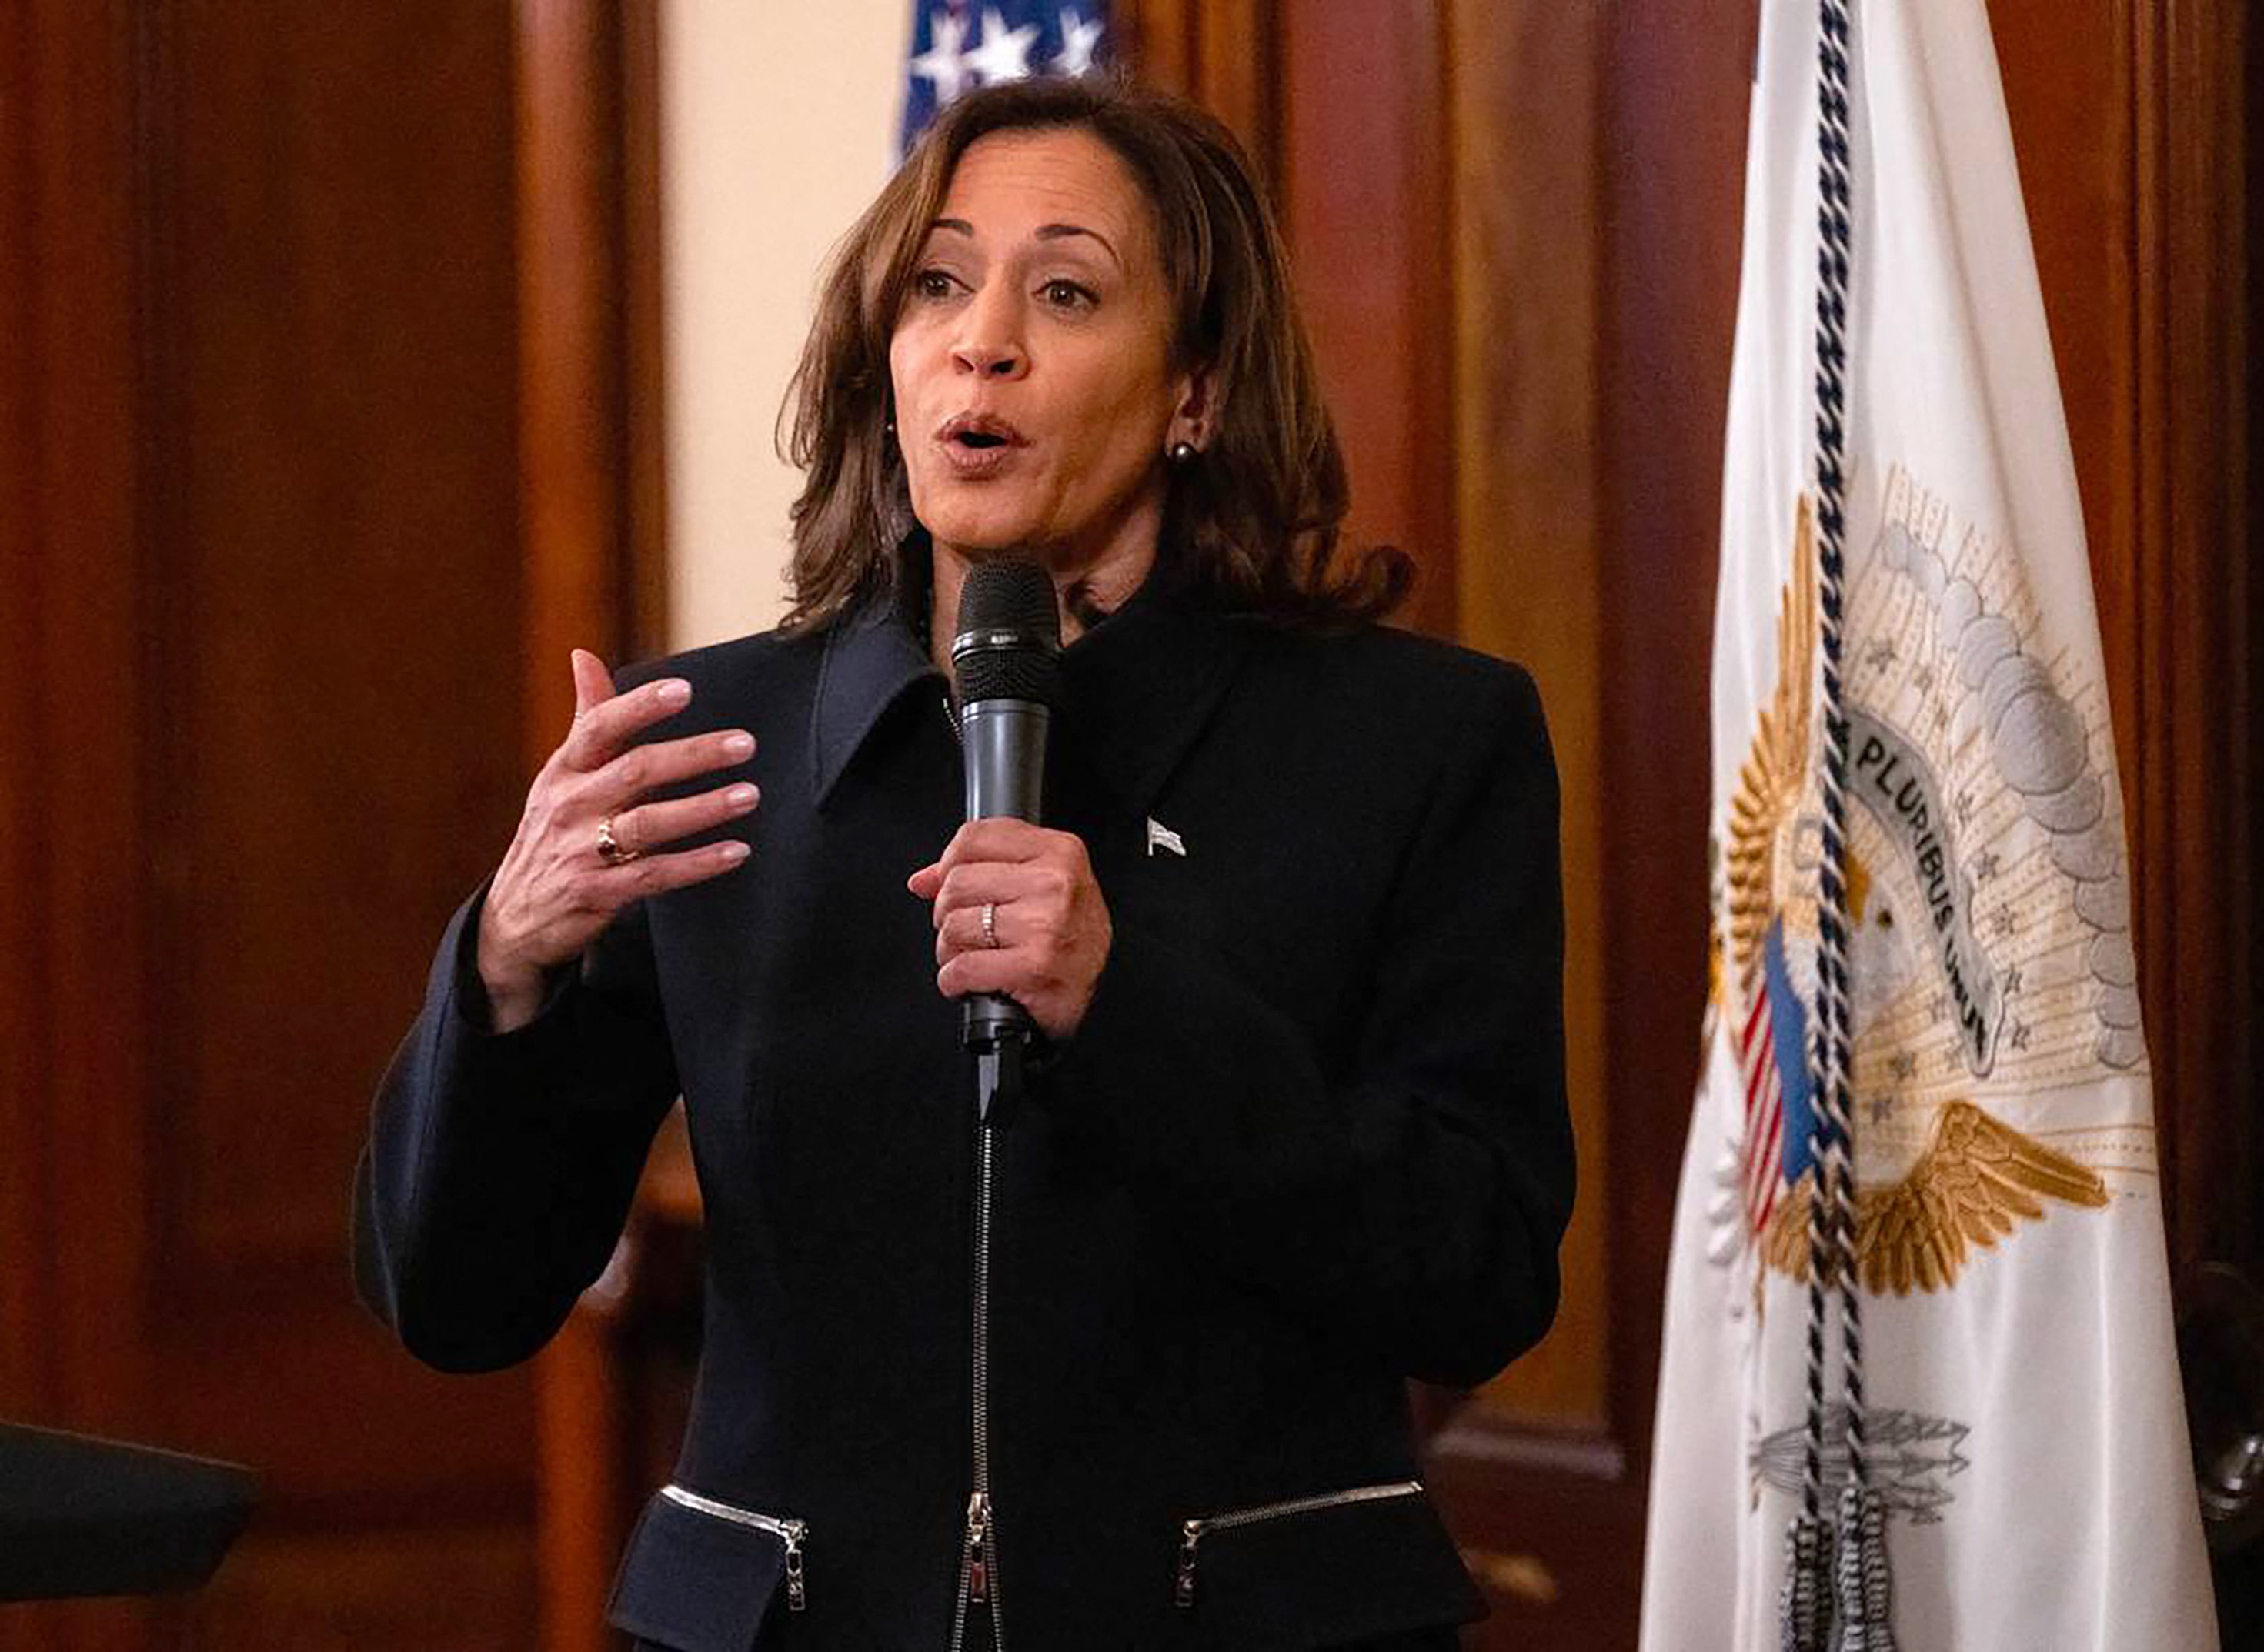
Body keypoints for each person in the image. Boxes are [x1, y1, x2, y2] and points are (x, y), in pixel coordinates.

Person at [354, 75, 1573, 1652]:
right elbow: (457, 1304)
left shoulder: (1414, 743)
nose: (979, 337)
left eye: (1064, 292)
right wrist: (504, 967)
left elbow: (1476, 1275)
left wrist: (1127, 1010)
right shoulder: (708, 744)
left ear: (1195, 389)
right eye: (937, 284)